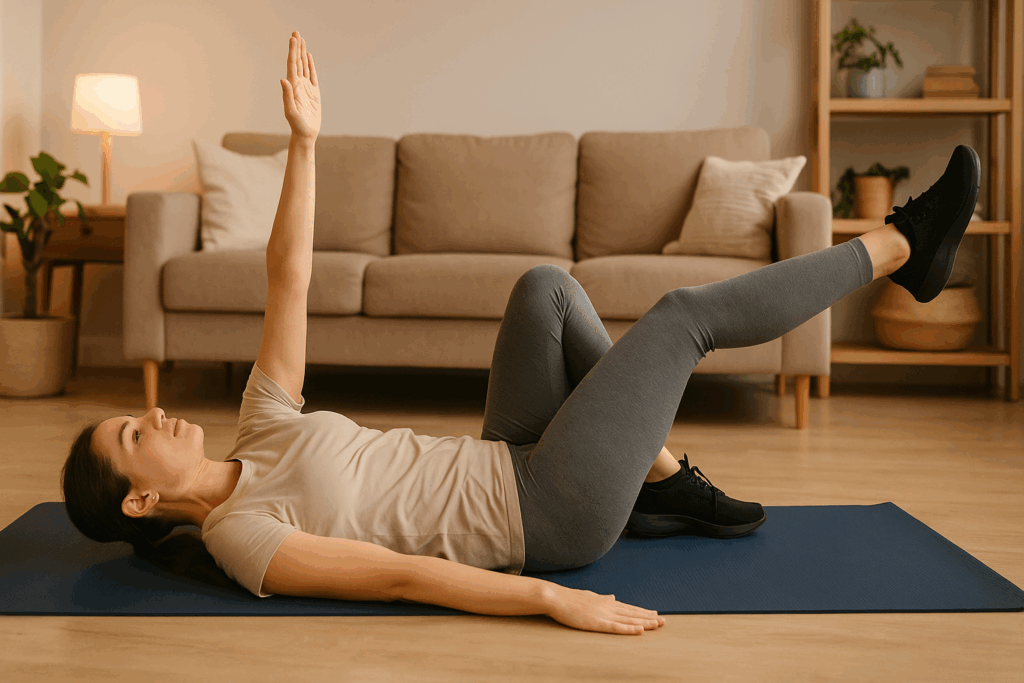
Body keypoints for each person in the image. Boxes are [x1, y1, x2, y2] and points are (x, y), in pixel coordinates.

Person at [60, 31, 981, 636]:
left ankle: (659, 474)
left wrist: (303, 142)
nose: (154, 411)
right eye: (134, 435)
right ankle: (905, 244)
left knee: (543, 287)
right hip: (542, 516)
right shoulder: (245, 538)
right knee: (680, 318)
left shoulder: (261, 427)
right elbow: (394, 579)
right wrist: (552, 597)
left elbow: (287, 279)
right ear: (140, 503)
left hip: (505, 456)